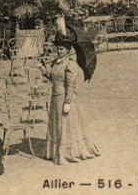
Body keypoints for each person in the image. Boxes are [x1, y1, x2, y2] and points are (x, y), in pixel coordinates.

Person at [40, 33, 100, 165]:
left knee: (66, 125)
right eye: (57, 49)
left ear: (67, 50)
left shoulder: (70, 65)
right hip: (55, 98)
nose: (58, 51)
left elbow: (70, 85)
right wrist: (44, 70)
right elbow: (52, 78)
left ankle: (69, 153)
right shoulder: (56, 63)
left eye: (61, 49)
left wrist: (67, 102)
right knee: (57, 125)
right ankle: (55, 152)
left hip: (65, 98)